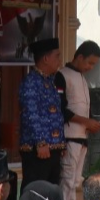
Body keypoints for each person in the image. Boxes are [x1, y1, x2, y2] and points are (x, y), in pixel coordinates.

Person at [59, 41, 100, 200]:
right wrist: (86, 121)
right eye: (90, 63)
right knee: (67, 184)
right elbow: (62, 110)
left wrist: (91, 123)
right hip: (69, 138)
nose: (90, 67)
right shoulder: (63, 75)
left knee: (75, 183)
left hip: (81, 138)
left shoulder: (82, 78)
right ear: (79, 57)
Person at [19, 37, 66, 188]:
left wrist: (60, 143)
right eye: (57, 56)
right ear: (46, 58)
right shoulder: (31, 82)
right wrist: (41, 142)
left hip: (53, 148)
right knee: (36, 191)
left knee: (51, 193)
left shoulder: (50, 81)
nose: (60, 60)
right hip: (38, 149)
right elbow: (31, 115)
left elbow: (55, 114)